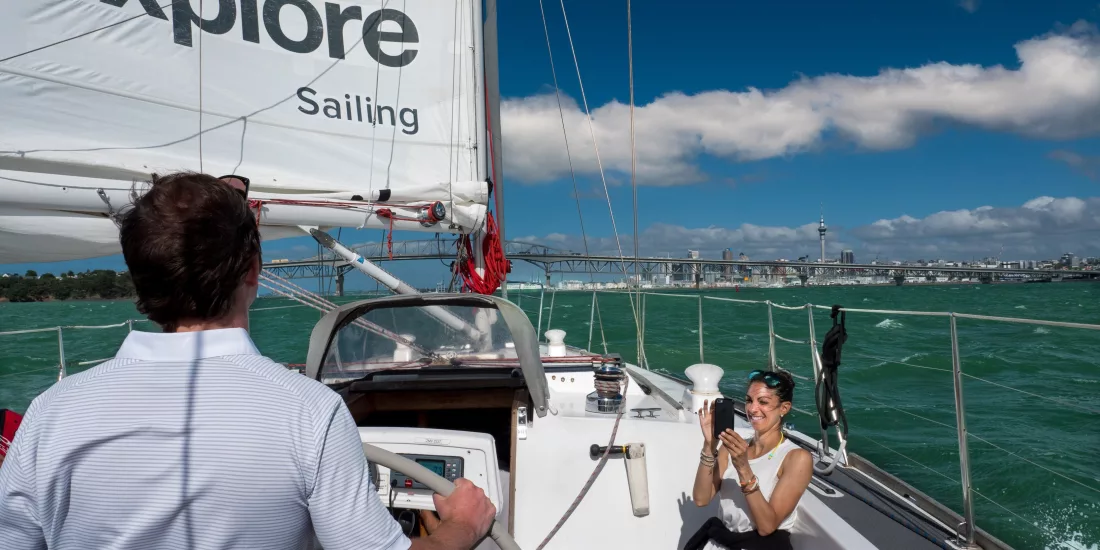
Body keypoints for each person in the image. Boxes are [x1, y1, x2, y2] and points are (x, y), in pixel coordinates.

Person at [0, 172, 495, 550]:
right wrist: (460, 527)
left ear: (139, 282)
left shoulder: (52, 412)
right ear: (254, 271)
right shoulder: (309, 413)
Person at [686, 369, 812, 550]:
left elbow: (767, 526)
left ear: (784, 408)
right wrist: (709, 445)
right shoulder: (731, 449)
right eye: (749, 400)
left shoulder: (796, 458)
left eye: (763, 402)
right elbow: (701, 499)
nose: (752, 409)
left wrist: (743, 468)